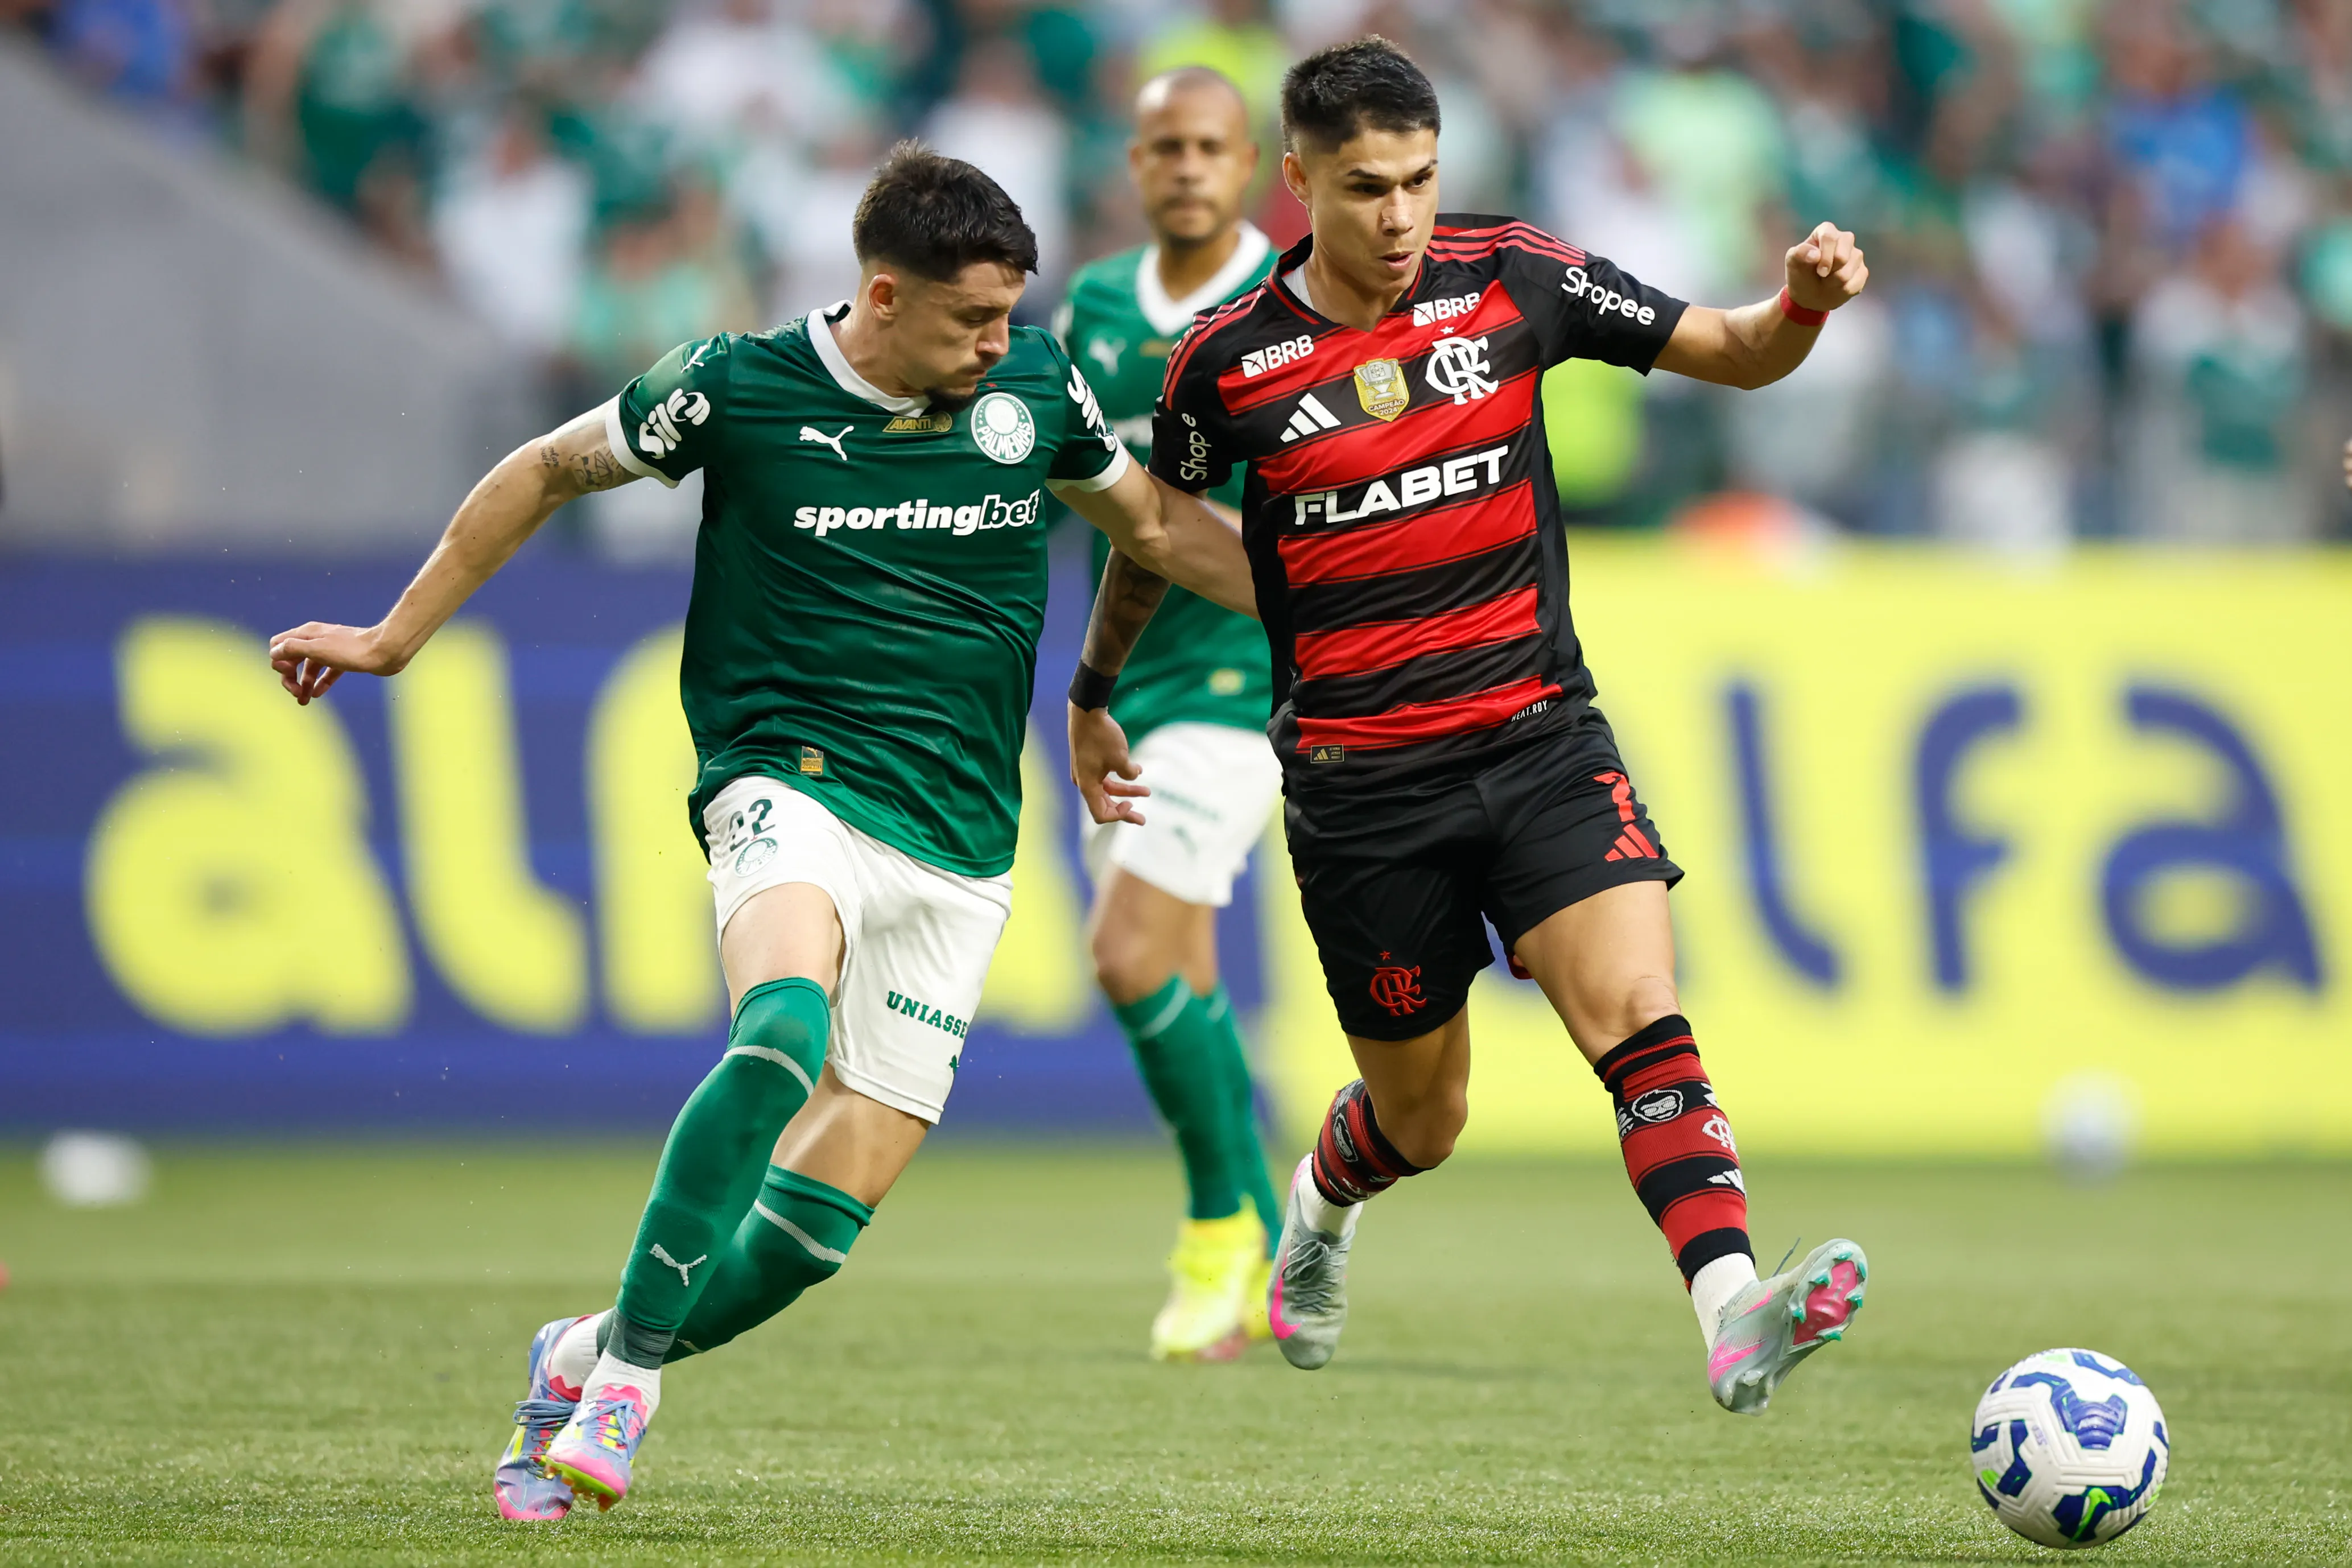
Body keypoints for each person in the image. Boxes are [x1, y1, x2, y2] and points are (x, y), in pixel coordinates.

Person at [267, 144, 1258, 1519]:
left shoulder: (1036, 385)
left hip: (961, 837)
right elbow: (546, 469)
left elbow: (1151, 522)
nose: (997, 340)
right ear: (883, 293)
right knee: (781, 1028)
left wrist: (1337, 602)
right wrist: (394, 636)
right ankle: (627, 1392)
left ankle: (584, 1352)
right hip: (786, 778)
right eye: (972, 316)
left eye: (1007, 314)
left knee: (808, 1243)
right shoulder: (732, 387)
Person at [1067, 37, 1871, 1415]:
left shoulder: (1512, 274)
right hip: (1364, 792)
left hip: (1540, 741)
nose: (1400, 216)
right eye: (1367, 188)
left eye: (1421, 181)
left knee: (1638, 1011)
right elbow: (1153, 535)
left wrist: (1800, 303)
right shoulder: (1228, 363)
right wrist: (1093, 693)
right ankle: (1320, 1208)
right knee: (1423, 1118)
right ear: (1299, 179)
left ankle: (1733, 1303)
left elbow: (1738, 353)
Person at [1051, 66, 1284, 1363]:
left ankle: (1212, 1236)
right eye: (1165, 148)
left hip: (1248, 684)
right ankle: (1272, 1245)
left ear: (1248, 163)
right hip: (1126, 683)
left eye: (1210, 146)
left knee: (1126, 953)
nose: (1188, 166)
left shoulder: (1293, 302)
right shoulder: (1090, 308)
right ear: (1135, 165)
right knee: (1181, 973)